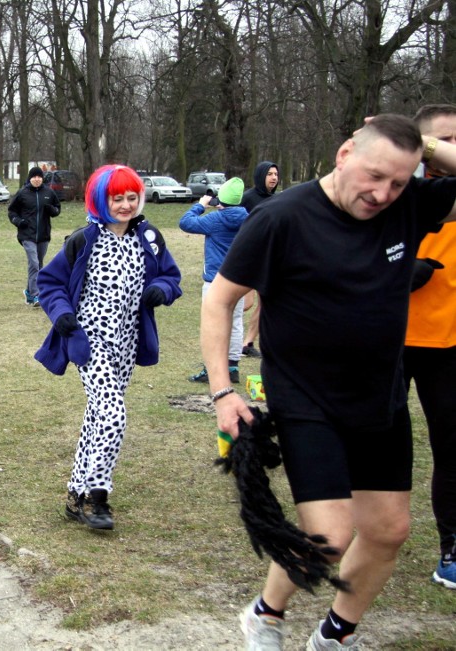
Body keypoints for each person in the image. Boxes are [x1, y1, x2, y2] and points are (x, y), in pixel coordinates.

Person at [200, 114, 456, 650]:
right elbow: (219, 298)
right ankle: (265, 615)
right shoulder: (282, 218)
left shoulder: (409, 206)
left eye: (399, 181)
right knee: (329, 538)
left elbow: (409, 180)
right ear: (344, 154)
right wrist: (223, 392)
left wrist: (429, 143)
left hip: (379, 399)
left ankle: (334, 636)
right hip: (306, 401)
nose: (383, 193)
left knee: (388, 532)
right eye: (375, 175)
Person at [35, 165, 182, 530]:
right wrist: (62, 314)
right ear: (102, 199)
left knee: (98, 416)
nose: (126, 205)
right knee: (113, 415)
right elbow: (48, 282)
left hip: (128, 343)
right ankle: (96, 497)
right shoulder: (84, 239)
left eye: (132, 197)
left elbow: (171, 276)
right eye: (118, 198)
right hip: (89, 342)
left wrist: (160, 290)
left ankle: (74, 492)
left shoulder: (148, 237)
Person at [403, 103, 456, 591]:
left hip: (447, 344)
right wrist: (396, 276)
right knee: (371, 439)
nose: (448, 152)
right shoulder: (398, 193)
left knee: (452, 446)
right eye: (441, 141)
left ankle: (452, 545)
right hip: (389, 340)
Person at [179, 177, 247, 384]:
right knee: (235, 322)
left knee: (213, 325)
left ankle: (212, 369)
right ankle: (232, 366)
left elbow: (185, 223)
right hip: (238, 279)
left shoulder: (216, 220)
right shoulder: (248, 218)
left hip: (215, 281)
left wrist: (200, 205)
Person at [239, 161, 280, 358]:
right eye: (269, 174)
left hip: (270, 259)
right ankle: (229, 335)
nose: (274, 178)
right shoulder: (247, 198)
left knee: (265, 303)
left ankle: (247, 343)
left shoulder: (278, 199)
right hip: (249, 258)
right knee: (245, 303)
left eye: (276, 174)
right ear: (260, 176)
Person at [8, 166, 61, 306]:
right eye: (34, 177)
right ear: (29, 178)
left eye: (39, 177)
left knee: (38, 264)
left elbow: (57, 209)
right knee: (34, 263)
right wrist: (18, 221)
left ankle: (29, 293)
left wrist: (52, 210)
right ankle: (37, 295)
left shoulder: (49, 192)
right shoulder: (22, 193)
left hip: (43, 235)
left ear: (42, 178)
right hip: (27, 235)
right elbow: (12, 211)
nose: (37, 179)